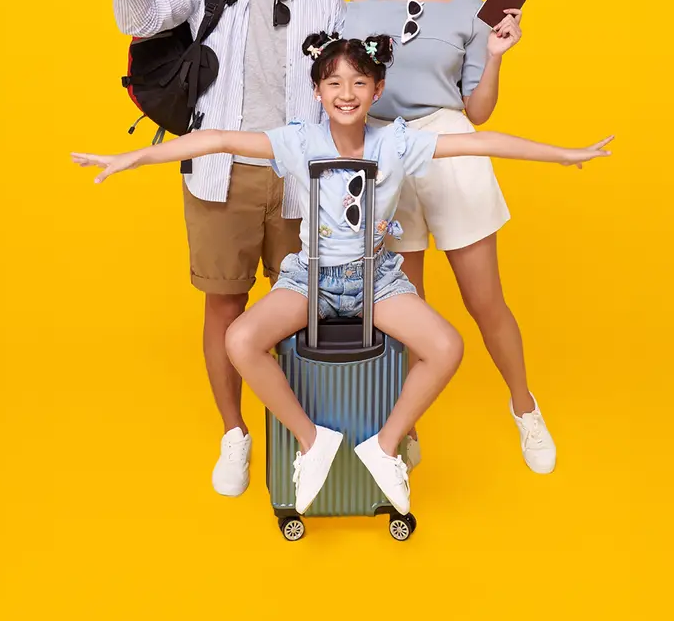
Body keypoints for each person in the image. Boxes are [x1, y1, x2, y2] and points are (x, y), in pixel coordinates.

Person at [70, 32, 610, 513]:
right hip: (310, 278)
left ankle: (385, 445)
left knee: (447, 346)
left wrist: (560, 155)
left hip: (377, 279)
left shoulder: (397, 142)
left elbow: (481, 142)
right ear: (317, 91)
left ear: (376, 91)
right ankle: (312, 442)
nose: (346, 92)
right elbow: (217, 140)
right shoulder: (297, 140)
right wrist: (132, 158)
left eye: (359, 82)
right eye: (333, 82)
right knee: (241, 340)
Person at [110, 0, 350, 497]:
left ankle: (303, 438)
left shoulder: (329, 2)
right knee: (225, 302)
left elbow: (345, 99)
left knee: (303, 311)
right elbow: (137, 19)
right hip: (220, 171)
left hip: (300, 181)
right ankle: (234, 433)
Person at [341, 0, 556, 473]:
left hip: (449, 141)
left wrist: (494, 57)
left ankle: (525, 407)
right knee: (405, 303)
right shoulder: (355, 7)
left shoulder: (473, 11)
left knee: (485, 298)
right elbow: (343, 93)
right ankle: (405, 432)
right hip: (382, 149)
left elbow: (477, 109)